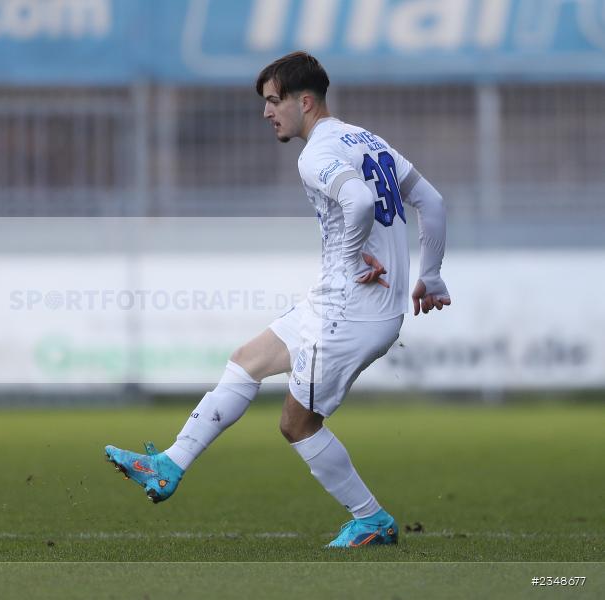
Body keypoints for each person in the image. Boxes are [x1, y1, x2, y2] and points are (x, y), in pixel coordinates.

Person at [105, 51, 450, 548]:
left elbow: (358, 201)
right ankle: (170, 465)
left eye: (273, 101)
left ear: (303, 101)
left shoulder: (316, 155)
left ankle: (371, 519)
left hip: (351, 310)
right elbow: (432, 203)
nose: (267, 112)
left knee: (297, 423)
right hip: (337, 302)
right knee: (247, 361)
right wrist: (431, 276)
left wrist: (353, 261)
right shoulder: (369, 140)